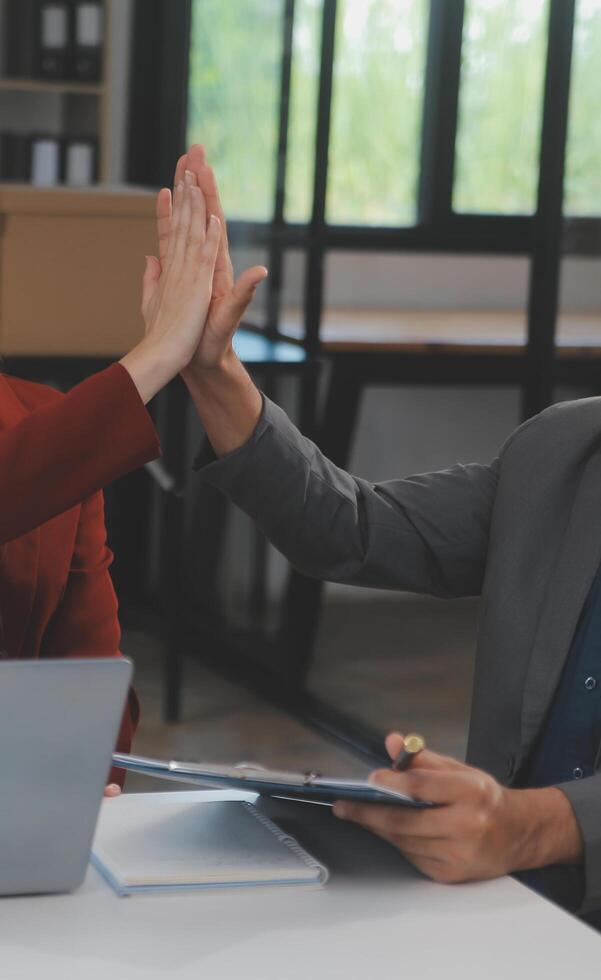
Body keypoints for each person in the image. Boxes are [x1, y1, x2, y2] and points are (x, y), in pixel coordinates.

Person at [154, 145, 601, 923]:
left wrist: (528, 826)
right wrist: (212, 372)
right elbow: (350, 528)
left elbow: (522, 827)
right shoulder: (561, 454)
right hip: (510, 915)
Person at [0, 162, 260, 791]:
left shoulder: (54, 424)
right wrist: (155, 355)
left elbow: (92, 682)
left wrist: (85, 783)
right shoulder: (74, 433)